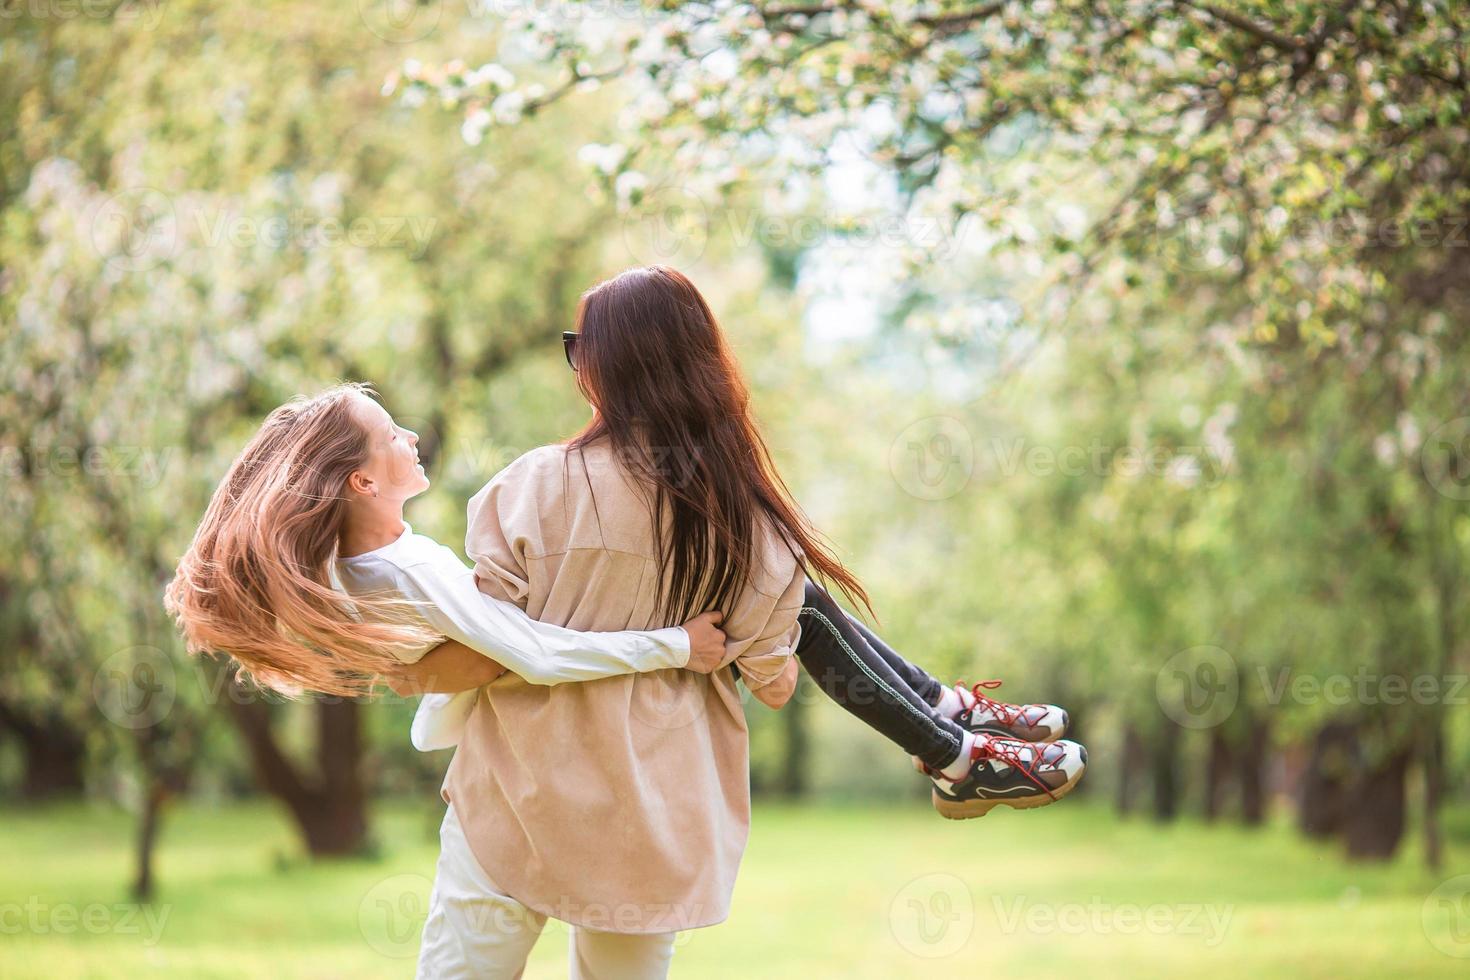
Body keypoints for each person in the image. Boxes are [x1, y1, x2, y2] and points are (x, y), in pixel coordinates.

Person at [410, 266, 1086, 977]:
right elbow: (772, 686)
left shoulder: (528, 487)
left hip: (512, 800)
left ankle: (953, 740)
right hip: (649, 823)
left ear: (602, 365)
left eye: (582, 348)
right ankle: (952, 737)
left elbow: (489, 640)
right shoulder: (746, 522)